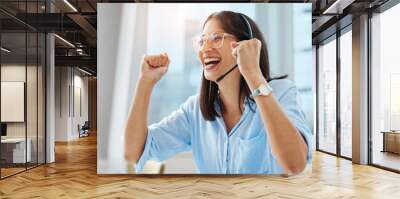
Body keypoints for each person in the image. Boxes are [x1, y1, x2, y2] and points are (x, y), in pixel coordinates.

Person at [124, 11, 313, 174]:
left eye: (216, 38)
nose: (205, 49)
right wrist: (145, 82)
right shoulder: (194, 110)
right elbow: (133, 153)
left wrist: (253, 74)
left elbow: (295, 164)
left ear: (244, 45)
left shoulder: (281, 92)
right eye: (202, 41)